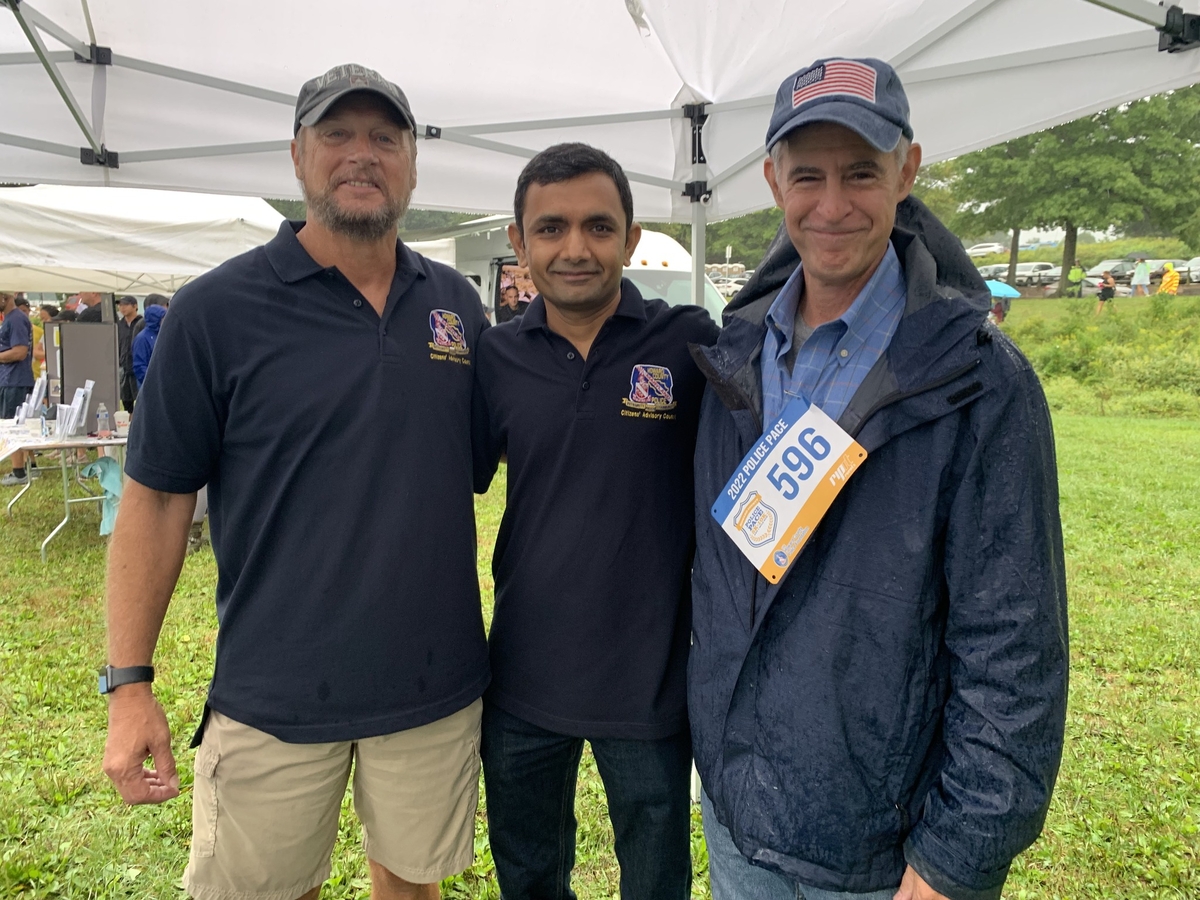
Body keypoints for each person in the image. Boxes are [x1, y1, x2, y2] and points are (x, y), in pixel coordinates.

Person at [101, 63, 490, 900]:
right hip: (272, 694)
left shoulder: (455, 304)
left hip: (432, 686)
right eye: (337, 135)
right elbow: (159, 499)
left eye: (384, 137)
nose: (362, 155)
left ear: (413, 163)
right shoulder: (216, 311)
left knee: (414, 889)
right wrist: (128, 685)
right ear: (296, 156)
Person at [689, 58, 1068, 900]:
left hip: (878, 861)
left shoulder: (982, 383)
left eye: (861, 172)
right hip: (738, 823)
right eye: (808, 175)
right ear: (771, 180)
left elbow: (1014, 654)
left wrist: (951, 865)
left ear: (908, 169)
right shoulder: (735, 356)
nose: (831, 206)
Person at [473, 143, 719, 900]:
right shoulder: (493, 357)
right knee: (529, 877)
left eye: (597, 227)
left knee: (655, 882)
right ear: (518, 242)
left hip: (648, 680)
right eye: (550, 229)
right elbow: (439, 483)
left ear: (631, 238)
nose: (574, 249)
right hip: (521, 674)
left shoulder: (689, 342)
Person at [0, 291, 35, 485]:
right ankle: (23, 467)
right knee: (9, 424)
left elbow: (20, 351)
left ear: (6, 297)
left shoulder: (16, 319)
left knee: (12, 426)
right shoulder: (9, 319)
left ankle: (19, 472)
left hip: (16, 381)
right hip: (9, 380)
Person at [115, 296, 143, 411]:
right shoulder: (118, 325)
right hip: (123, 368)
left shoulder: (142, 323)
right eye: (120, 305)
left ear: (135, 306)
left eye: (125, 305)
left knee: (140, 398)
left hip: (138, 367)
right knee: (126, 400)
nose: (122, 308)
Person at [130, 303, 164, 390]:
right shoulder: (142, 338)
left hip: (162, 383)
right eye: (163, 318)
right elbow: (139, 365)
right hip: (149, 386)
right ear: (155, 319)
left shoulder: (163, 335)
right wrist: (151, 382)